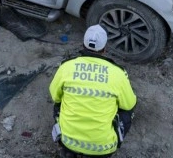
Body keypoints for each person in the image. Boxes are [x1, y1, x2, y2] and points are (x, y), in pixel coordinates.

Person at [49, 25, 137, 157]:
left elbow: (55, 97)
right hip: (103, 148)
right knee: (127, 109)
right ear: (104, 48)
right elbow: (128, 104)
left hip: (67, 142)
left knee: (59, 103)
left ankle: (68, 148)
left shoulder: (66, 67)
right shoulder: (118, 73)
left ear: (83, 45)